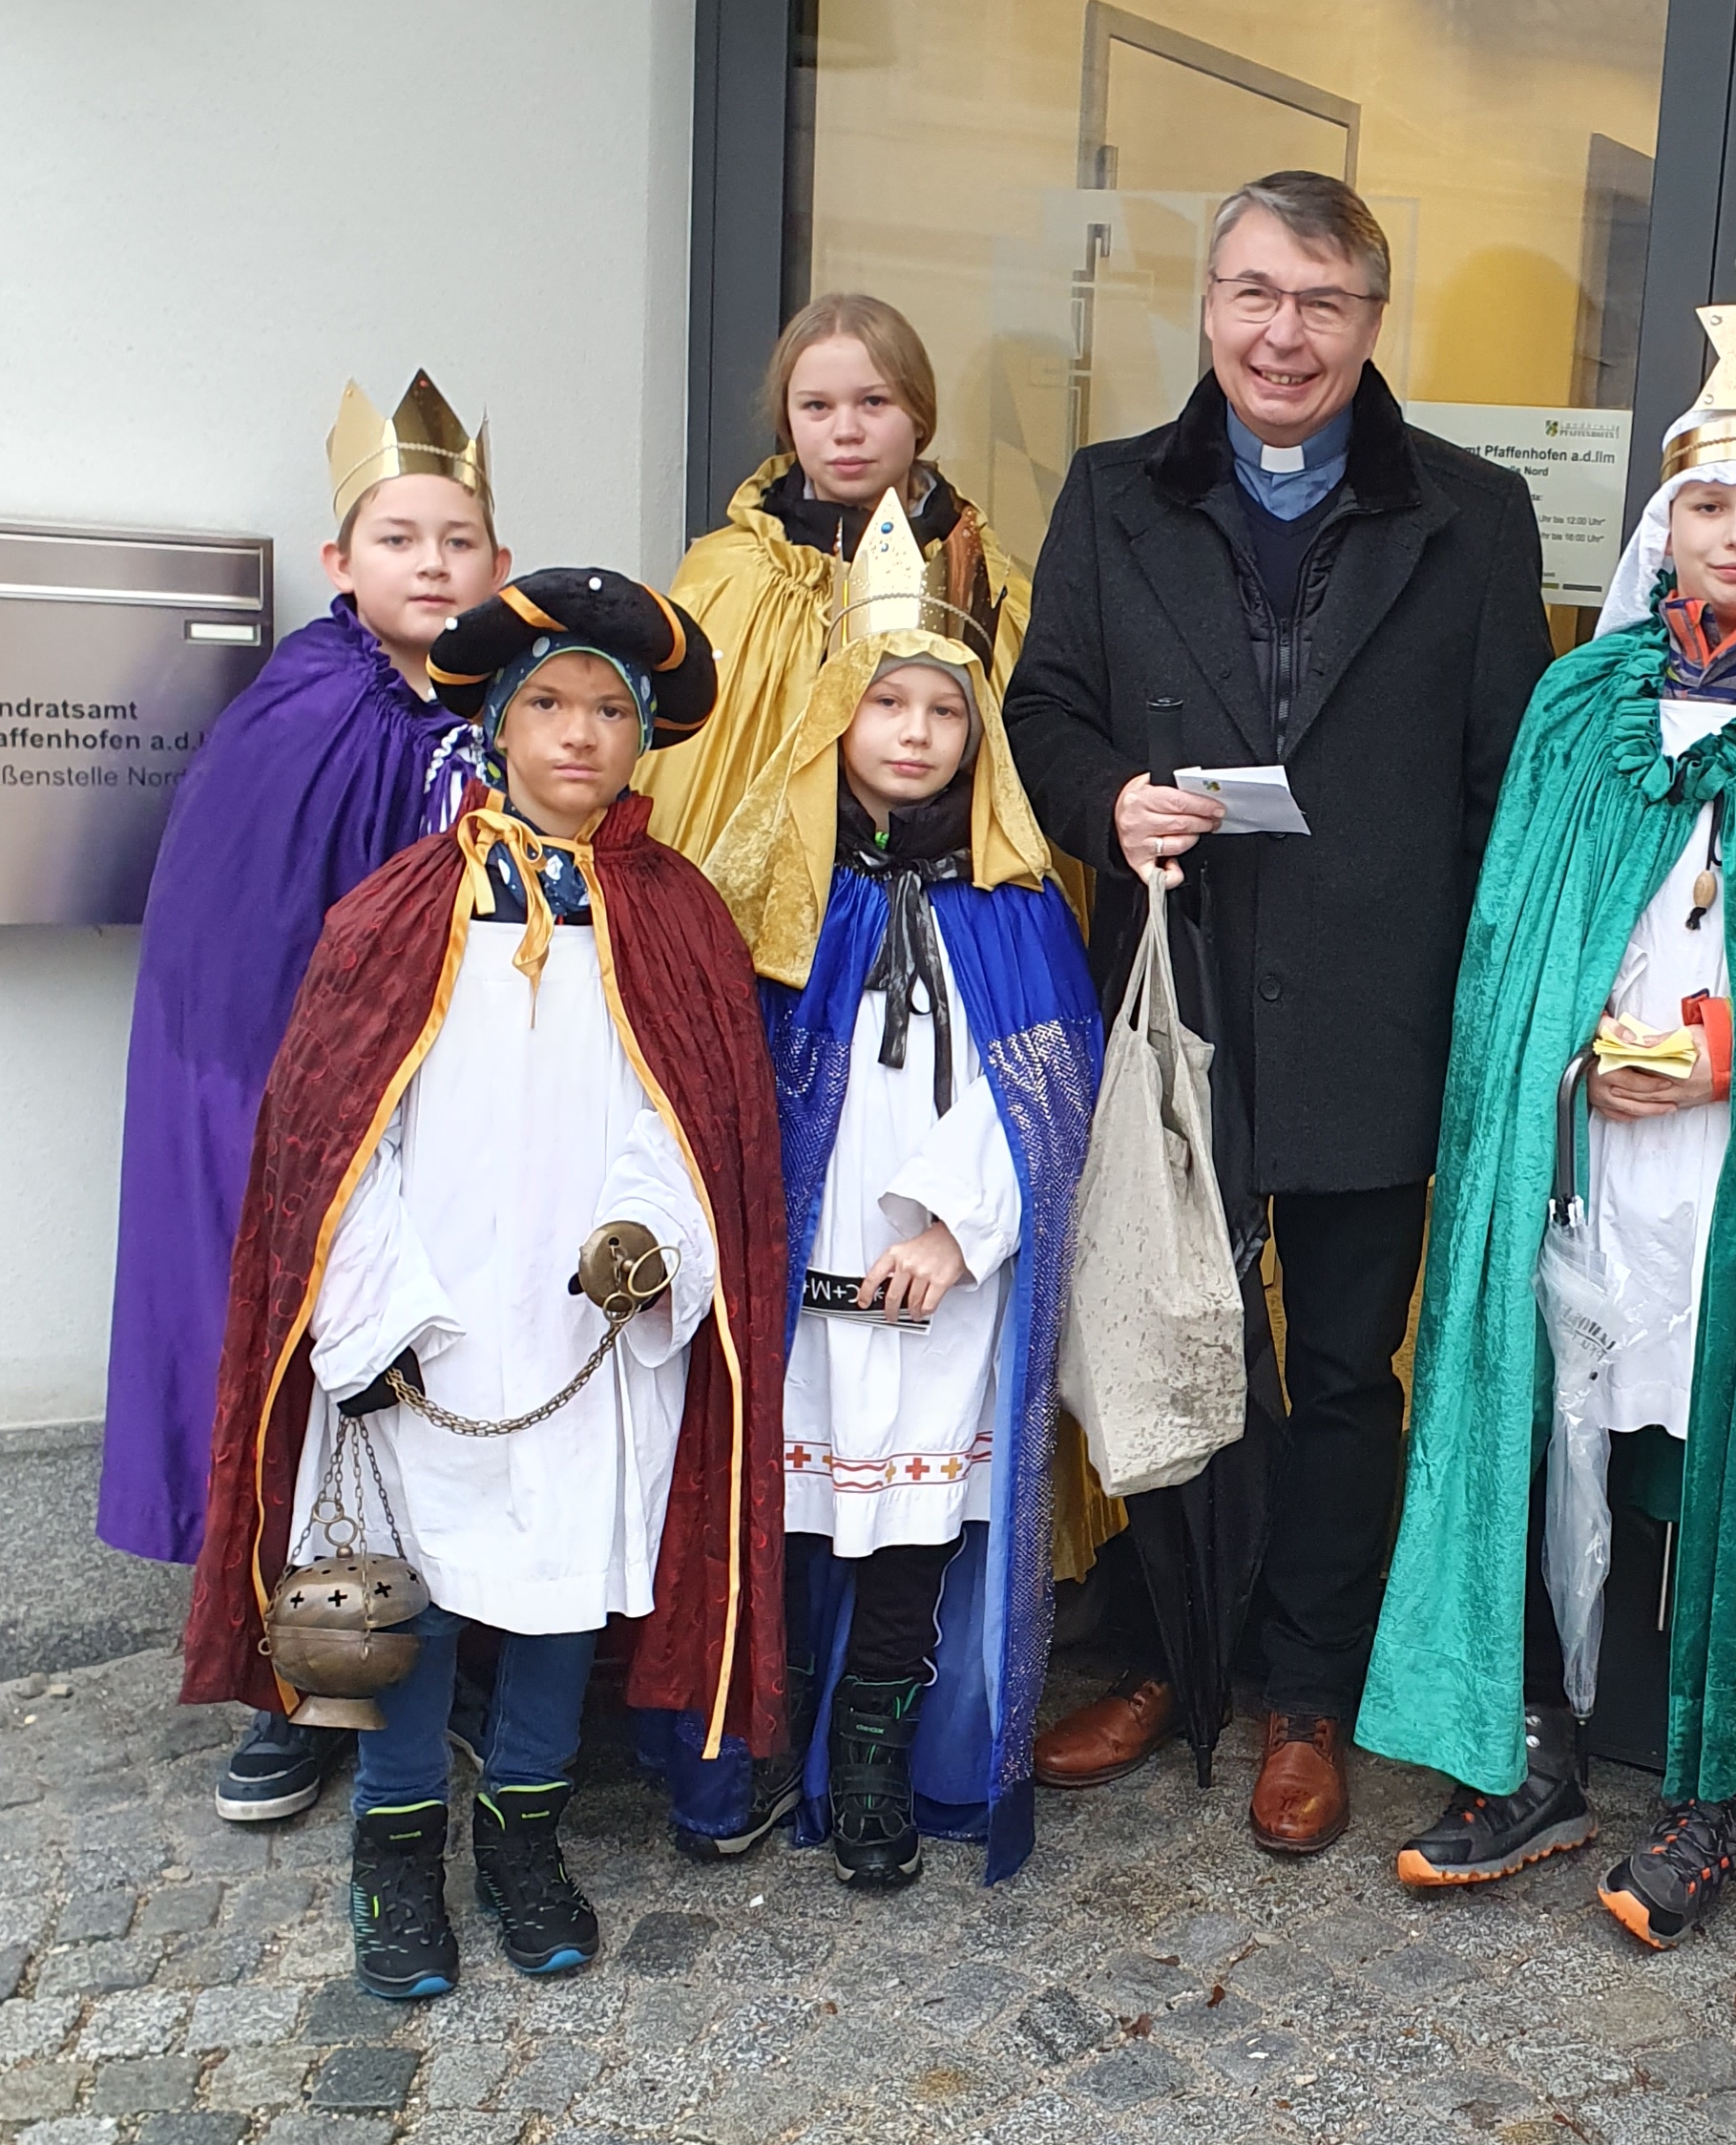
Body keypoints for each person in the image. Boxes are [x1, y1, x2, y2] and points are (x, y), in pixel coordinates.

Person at [1004, 170, 1551, 1854]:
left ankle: (1307, 1688)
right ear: (1208, 306)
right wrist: (1110, 805)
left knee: (1336, 1374)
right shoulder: (1110, 495)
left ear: (1373, 322)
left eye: (1320, 301)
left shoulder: (1471, 512)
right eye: (1253, 292)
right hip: (1183, 992)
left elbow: (1500, 780)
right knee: (1173, 1329)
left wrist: (1478, 1005)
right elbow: (1045, 705)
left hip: (1378, 1013)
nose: (1282, 333)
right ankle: (1176, 1658)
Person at [1357, 273, 1736, 1949]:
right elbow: (1515, 925)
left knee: (1725, 1433)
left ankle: (1716, 1782)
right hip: (1584, 1150)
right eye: (1706, 507)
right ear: (1665, 530)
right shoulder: (1577, 705)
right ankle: (1534, 1745)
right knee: (1548, 1417)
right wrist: (1545, 1057)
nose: (1733, 537)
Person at [178, 569, 787, 2001]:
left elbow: (687, 1123)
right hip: (425, 1326)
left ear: (643, 738)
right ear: (502, 725)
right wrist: (374, 1311)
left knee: (562, 1585)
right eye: (550, 705)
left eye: (608, 711)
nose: (578, 735)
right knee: (398, 1593)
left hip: (587, 1333)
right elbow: (338, 1139)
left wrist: (647, 1236)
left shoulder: (676, 918)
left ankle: (523, 1830)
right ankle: (393, 1850)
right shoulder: (399, 911)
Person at [655, 495, 1100, 1883]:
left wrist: (958, 1229)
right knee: (782, 1514)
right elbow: (715, 1082)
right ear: (838, 714)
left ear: (980, 738)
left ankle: (871, 1762)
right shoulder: (772, 894)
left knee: (912, 1529)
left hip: (941, 1279)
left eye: (945, 711)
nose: (913, 731)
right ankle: (757, 1742)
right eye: (886, 700)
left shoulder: (1017, 905)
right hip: (798, 1266)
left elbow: (1052, 1091)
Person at [99, 373, 509, 1826]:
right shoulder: (301, 713)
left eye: (459, 539)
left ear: (499, 566)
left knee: (452, 1387)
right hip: (316, 1123)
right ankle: (303, 1678)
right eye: (401, 538)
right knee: (310, 1391)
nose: (433, 565)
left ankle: (448, 1651)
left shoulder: (523, 705)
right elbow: (236, 946)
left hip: (468, 1122)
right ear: (342, 561)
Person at [638, 292, 1031, 927]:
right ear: (788, 419)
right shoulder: (728, 571)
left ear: (920, 414)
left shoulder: (982, 577)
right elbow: (683, 778)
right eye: (816, 406)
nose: (845, 430)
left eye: (874, 402)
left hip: (951, 921)